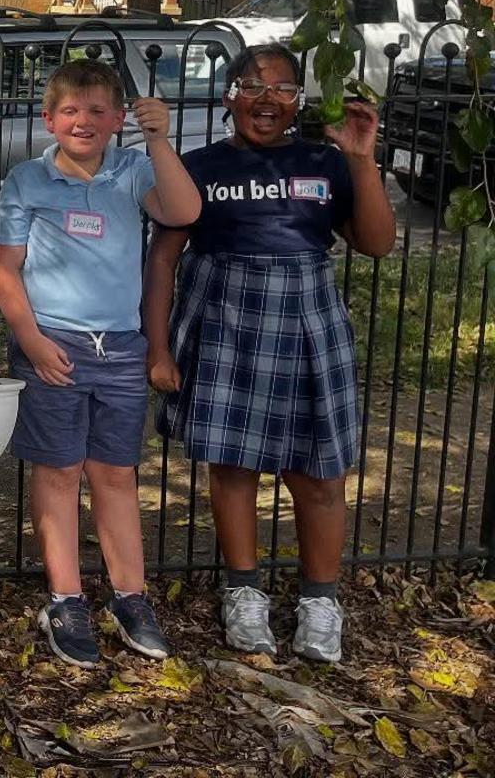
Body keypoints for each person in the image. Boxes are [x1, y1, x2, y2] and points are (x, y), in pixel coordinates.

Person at [144, 43, 394, 662]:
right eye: (252, 86)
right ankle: (244, 592)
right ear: (228, 96)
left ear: (299, 102)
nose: (267, 99)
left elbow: (379, 244)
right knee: (232, 466)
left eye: (282, 89)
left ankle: (319, 601)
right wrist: (159, 348)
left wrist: (362, 160)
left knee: (318, 472)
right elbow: (162, 262)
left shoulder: (327, 163)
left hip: (309, 321)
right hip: (224, 319)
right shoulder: (198, 166)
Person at [0, 58, 200, 668]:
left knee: (115, 476)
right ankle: (66, 598)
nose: (84, 121)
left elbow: (183, 212)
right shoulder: (27, 181)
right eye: (71, 111)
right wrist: (30, 340)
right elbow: (4, 267)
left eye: (98, 111)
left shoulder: (134, 169)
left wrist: (159, 139)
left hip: (120, 349)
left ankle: (130, 597)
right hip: (53, 347)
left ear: (117, 119)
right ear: (49, 119)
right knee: (59, 473)